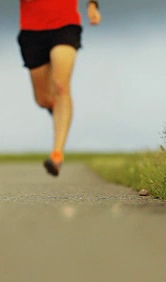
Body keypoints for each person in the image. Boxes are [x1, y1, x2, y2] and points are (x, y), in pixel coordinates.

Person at [17, 0, 102, 177]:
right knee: (43, 100)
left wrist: (92, 5)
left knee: (61, 86)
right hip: (31, 31)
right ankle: (58, 113)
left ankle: (56, 154)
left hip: (65, 26)